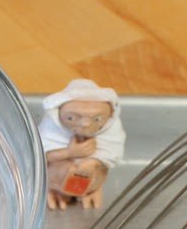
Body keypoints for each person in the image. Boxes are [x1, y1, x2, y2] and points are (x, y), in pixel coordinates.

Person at [38, 78, 126, 209]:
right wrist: (69, 153)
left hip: (91, 179)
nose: (85, 124)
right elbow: (40, 156)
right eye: (71, 118)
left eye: (97, 119)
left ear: (110, 116)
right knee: (61, 169)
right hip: (56, 179)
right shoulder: (52, 128)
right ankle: (55, 191)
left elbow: (112, 154)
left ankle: (90, 191)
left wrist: (93, 162)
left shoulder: (110, 130)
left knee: (92, 172)